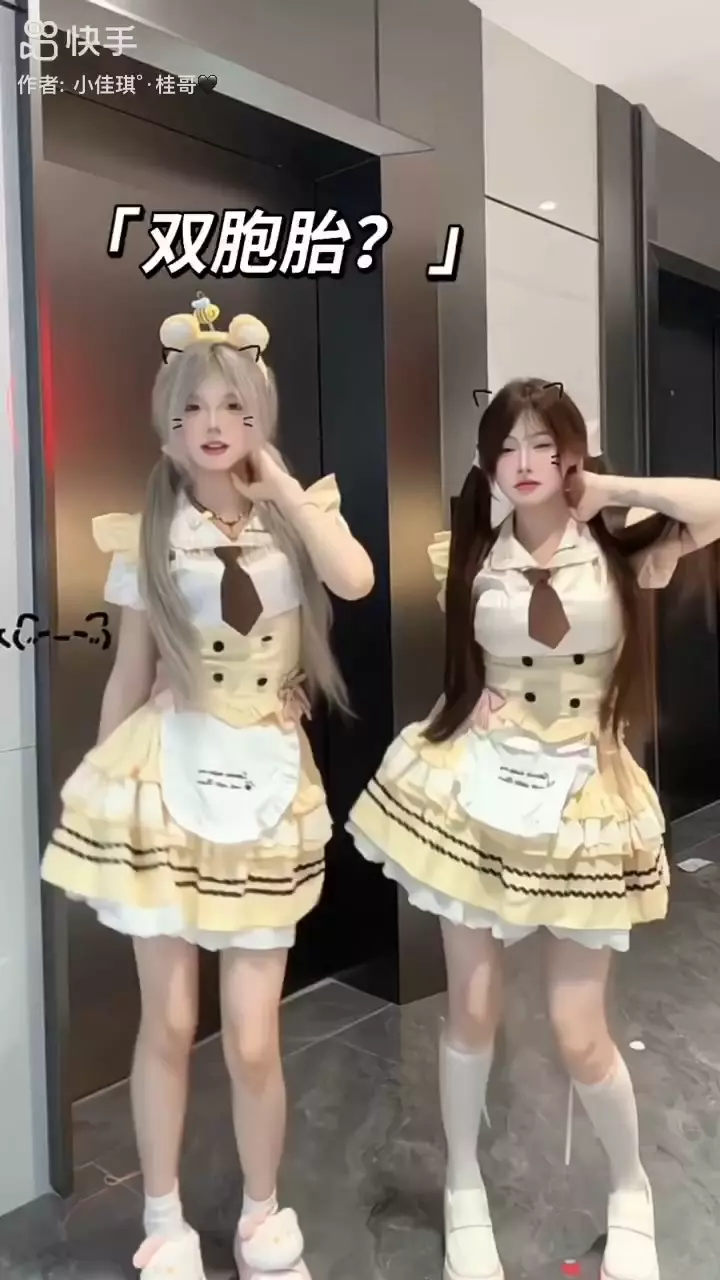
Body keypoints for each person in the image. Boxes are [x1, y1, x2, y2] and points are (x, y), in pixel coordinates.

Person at [347, 378, 720, 1280]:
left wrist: (612, 490)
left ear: (571, 455)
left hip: (583, 799)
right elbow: (467, 670)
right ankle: (463, 1186)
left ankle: (630, 1187)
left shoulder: (624, 550)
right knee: (471, 1008)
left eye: (543, 444)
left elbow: (713, 506)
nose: (524, 462)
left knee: (578, 1027)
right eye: (507, 446)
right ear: (487, 463)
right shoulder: (468, 555)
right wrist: (477, 707)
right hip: (482, 787)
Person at [41, 294, 374, 1280]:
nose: (212, 424)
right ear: (168, 426)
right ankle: (164, 1218)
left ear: (259, 416)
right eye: (191, 409)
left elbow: (356, 580)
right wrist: (98, 796)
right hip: (167, 774)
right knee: (171, 1020)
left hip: (266, 781)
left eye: (231, 405)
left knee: (256, 1035)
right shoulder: (148, 533)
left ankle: (263, 1212)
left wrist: (284, 490)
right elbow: (127, 672)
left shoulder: (295, 520)